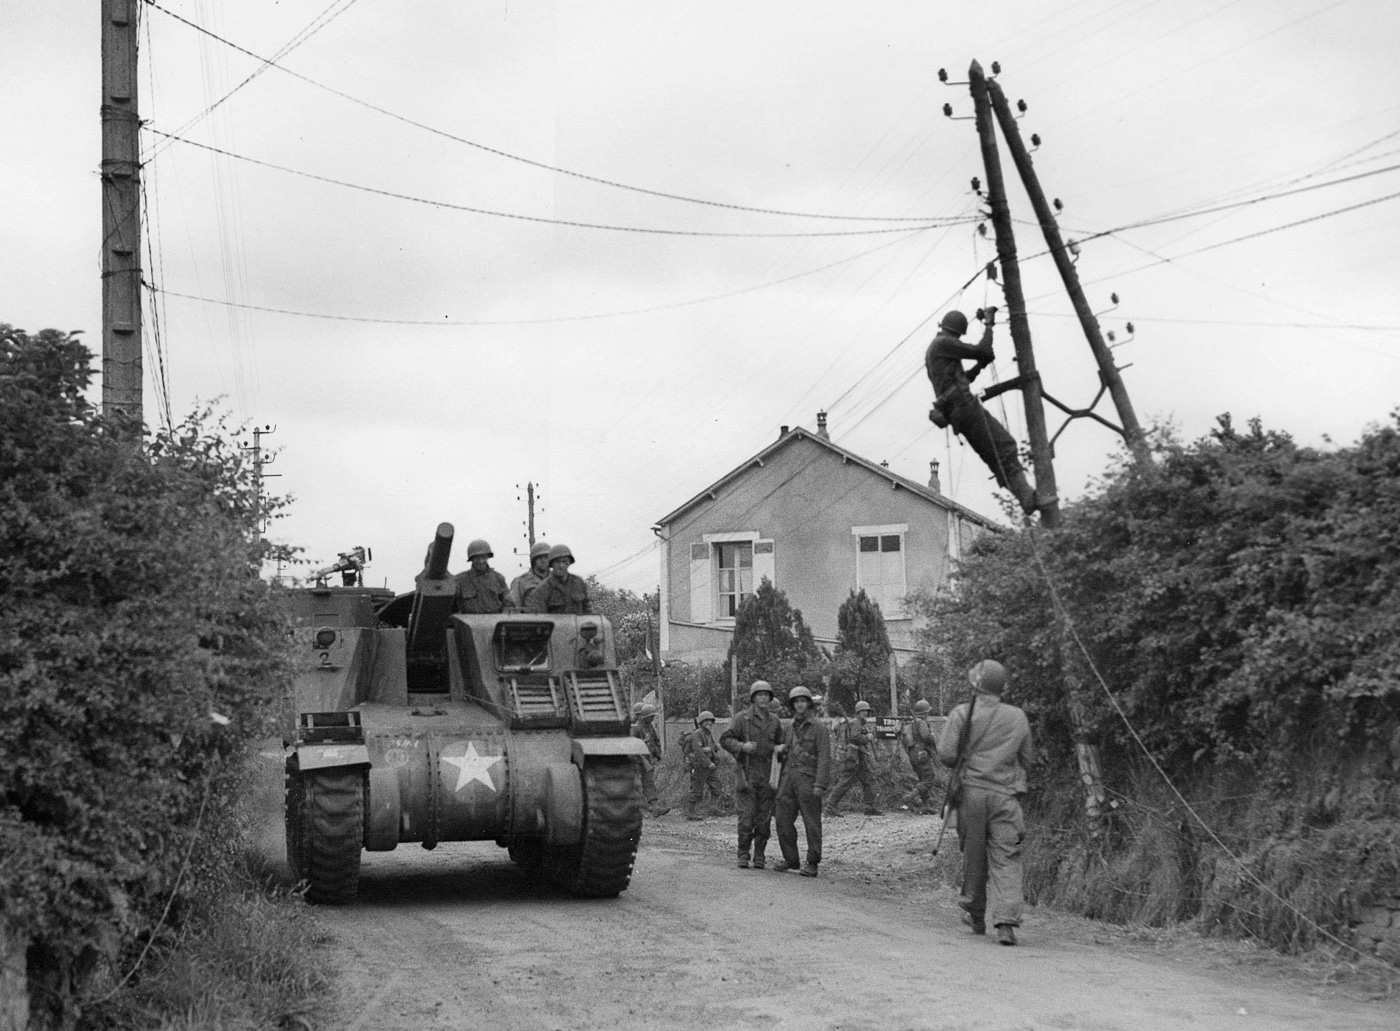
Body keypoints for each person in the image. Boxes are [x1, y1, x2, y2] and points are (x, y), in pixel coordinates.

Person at [937, 659, 1034, 946]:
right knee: (1007, 858)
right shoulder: (1018, 717)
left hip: (972, 796)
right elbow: (1028, 759)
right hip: (1006, 797)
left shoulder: (961, 714)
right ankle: (1006, 923)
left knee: (974, 857)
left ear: (975, 685)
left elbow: (946, 755)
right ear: (1001, 687)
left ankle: (975, 915)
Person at [925, 307, 1044, 516]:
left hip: (958, 411)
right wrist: (989, 324)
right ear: (956, 332)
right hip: (964, 407)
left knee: (996, 455)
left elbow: (960, 380)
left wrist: (979, 366)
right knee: (1005, 446)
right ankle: (1026, 496)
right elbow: (983, 350)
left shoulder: (938, 349)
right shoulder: (944, 343)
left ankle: (1025, 498)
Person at [719, 680, 784, 870]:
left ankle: (760, 855)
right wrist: (742, 746)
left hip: (767, 774)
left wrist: (780, 749)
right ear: (753, 698)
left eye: (766, 695)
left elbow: (780, 744)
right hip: (747, 773)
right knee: (746, 818)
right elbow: (725, 739)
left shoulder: (774, 721)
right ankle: (743, 852)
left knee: (763, 820)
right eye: (759, 695)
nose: (763, 698)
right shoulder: (742, 719)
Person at [773, 686, 831, 878]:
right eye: (796, 701)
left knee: (812, 824)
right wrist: (780, 751)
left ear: (808, 704)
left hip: (809, 779)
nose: (800, 704)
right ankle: (791, 859)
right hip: (788, 778)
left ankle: (812, 863)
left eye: (803, 701)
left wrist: (820, 785)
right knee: (782, 819)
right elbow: (781, 755)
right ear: (792, 705)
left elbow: (824, 757)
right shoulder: (788, 728)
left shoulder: (819, 728)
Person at [826, 699, 880, 817]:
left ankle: (869, 807)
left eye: (867, 711)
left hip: (859, 757)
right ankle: (830, 807)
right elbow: (854, 737)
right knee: (845, 783)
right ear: (858, 712)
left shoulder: (859, 724)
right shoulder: (856, 723)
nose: (866, 713)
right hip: (853, 757)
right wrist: (867, 737)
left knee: (868, 780)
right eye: (863, 711)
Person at [525, 543, 592, 614]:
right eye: (557, 562)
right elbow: (541, 619)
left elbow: (587, 608)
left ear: (569, 563)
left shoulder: (578, 582)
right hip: (556, 625)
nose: (561, 566)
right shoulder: (543, 589)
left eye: (565, 562)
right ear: (551, 564)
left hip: (577, 624)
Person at [630, 702, 670, 818]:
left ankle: (655, 807)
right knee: (636, 784)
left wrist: (657, 754)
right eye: (651, 717)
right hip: (637, 760)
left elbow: (655, 741)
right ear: (645, 717)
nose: (652, 719)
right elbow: (633, 745)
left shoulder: (650, 727)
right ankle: (637, 809)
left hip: (648, 759)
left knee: (649, 784)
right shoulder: (635, 729)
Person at [901, 699, 940, 813]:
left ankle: (925, 805)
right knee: (929, 778)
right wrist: (933, 736)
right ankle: (911, 795)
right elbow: (926, 736)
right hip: (921, 753)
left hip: (914, 753)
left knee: (923, 778)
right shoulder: (921, 722)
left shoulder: (913, 723)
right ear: (925, 712)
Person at [454, 539, 512, 614]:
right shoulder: (460, 580)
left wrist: (505, 615)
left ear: (488, 557)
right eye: (477, 558)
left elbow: (509, 604)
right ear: (472, 559)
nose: (481, 561)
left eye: (483, 557)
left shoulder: (498, 578)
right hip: (470, 623)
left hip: (495, 622)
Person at [684, 712, 723, 820]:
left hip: (709, 766)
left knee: (717, 785)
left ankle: (713, 807)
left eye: (711, 721)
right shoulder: (698, 734)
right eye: (706, 721)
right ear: (701, 722)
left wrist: (715, 747)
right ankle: (691, 813)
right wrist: (708, 763)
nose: (709, 723)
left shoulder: (708, 733)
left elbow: (711, 746)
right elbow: (698, 752)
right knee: (697, 788)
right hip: (700, 766)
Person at [508, 540, 552, 610]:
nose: (543, 561)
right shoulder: (520, 582)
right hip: (531, 619)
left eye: (546, 557)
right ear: (534, 560)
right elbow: (515, 607)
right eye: (540, 558)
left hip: (556, 619)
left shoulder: (557, 579)